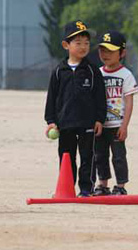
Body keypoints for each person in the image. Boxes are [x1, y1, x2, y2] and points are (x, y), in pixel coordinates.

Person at [44, 20, 107, 197]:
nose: (83, 47)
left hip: (87, 122)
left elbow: (100, 97)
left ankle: (86, 189)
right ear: (66, 45)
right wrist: (51, 121)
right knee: (66, 157)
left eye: (86, 43)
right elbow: (51, 98)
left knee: (88, 157)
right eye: (78, 43)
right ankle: (67, 188)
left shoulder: (93, 70)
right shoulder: (59, 71)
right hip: (64, 123)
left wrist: (99, 119)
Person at [92, 31, 138, 196]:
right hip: (100, 124)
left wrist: (125, 126)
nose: (105, 54)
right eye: (102, 50)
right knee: (99, 156)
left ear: (122, 53)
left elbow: (129, 102)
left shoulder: (126, 75)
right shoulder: (97, 73)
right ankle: (102, 184)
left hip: (117, 124)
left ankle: (120, 185)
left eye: (111, 51)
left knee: (118, 156)